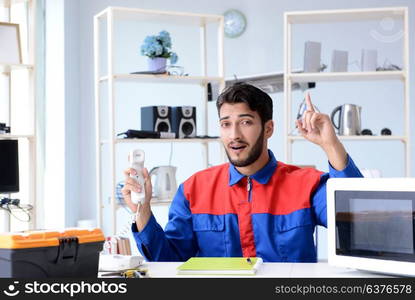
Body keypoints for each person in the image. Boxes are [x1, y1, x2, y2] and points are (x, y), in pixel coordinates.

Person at [122, 83, 362, 262]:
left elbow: (356, 222)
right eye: (226, 124)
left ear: (268, 129)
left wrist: (331, 145)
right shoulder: (194, 189)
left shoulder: (307, 184)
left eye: (245, 122)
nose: (234, 134)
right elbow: (168, 261)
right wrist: (142, 212)